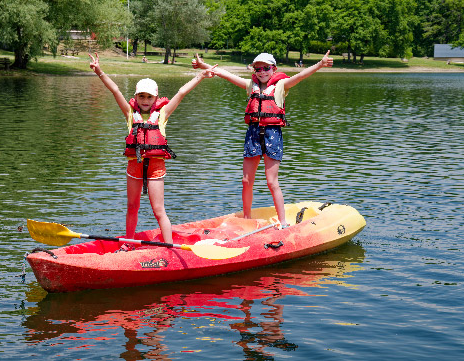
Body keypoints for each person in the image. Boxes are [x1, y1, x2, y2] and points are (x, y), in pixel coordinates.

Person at [89, 52, 217, 248]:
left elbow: (181, 92)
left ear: (155, 98)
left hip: (156, 167)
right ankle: (128, 243)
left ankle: (169, 246)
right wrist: (99, 71)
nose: (145, 100)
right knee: (132, 207)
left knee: (158, 209)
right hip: (135, 165)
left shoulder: (162, 114)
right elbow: (115, 90)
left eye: (149, 97)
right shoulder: (131, 114)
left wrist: (200, 76)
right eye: (141, 96)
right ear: (136, 97)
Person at [192, 51, 333, 227]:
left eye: (266, 68)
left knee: (271, 182)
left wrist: (320, 64)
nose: (262, 71)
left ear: (274, 69)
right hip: (253, 133)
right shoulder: (251, 85)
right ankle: (246, 219)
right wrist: (202, 65)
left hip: (272, 134)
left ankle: (283, 222)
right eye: (258, 68)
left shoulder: (282, 85)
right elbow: (225, 74)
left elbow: (301, 76)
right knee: (246, 181)